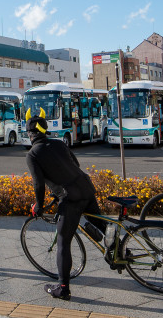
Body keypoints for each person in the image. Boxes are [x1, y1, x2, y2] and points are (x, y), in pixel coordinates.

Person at [24, 109, 105, 301]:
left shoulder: (32, 154)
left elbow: (38, 183)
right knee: (101, 224)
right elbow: (74, 164)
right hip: (86, 188)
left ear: (30, 134)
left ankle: (62, 287)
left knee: (63, 241)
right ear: (44, 131)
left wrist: (39, 206)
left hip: (71, 198)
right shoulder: (59, 143)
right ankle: (121, 252)